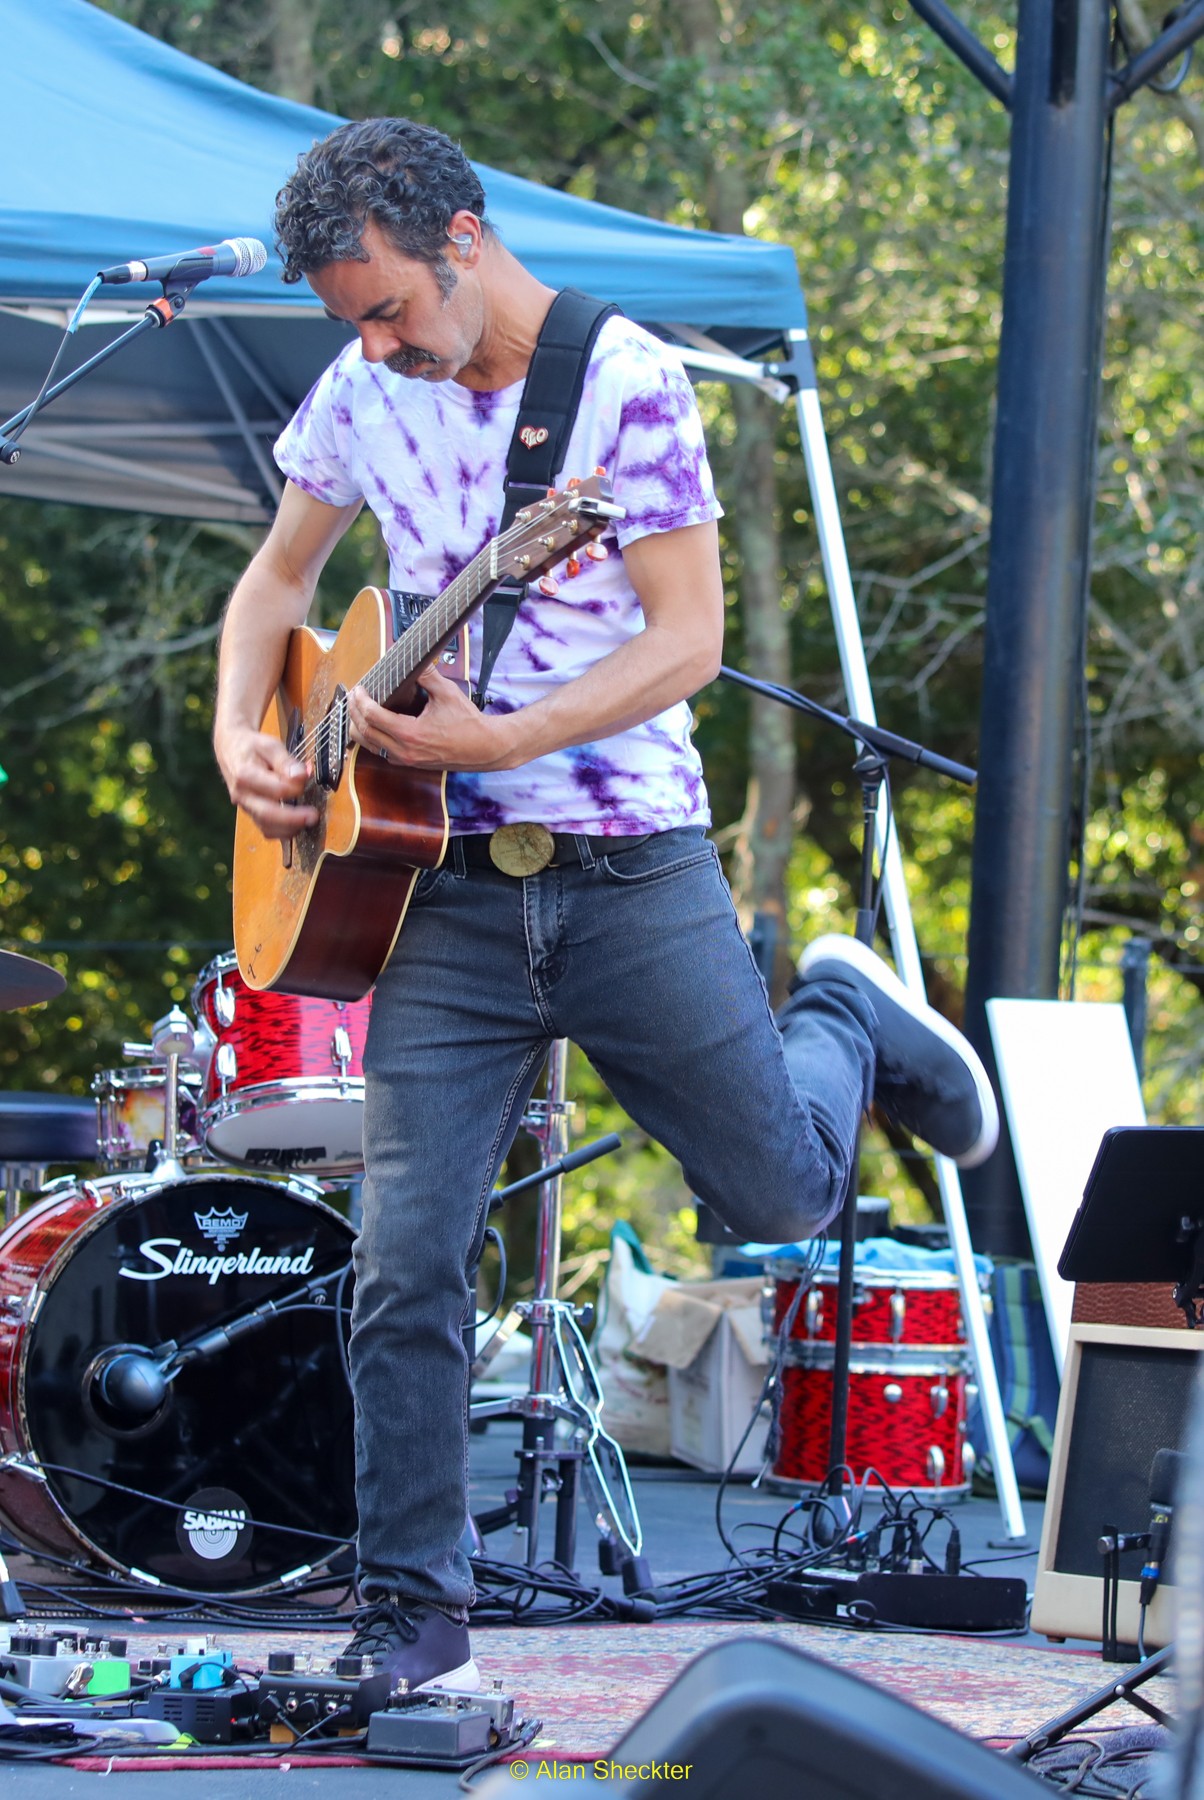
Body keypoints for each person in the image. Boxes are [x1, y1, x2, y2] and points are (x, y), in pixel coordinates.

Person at [213, 117, 998, 1693]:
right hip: (438, 894)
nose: (380, 347)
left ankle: (840, 1011)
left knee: (780, 1197)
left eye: (391, 309)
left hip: (633, 869)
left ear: (462, 238)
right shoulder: (362, 387)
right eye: (356, 324)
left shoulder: (627, 382)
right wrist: (243, 728)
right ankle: (412, 1614)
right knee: (406, 1263)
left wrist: (503, 739)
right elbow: (278, 582)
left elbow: (688, 638)